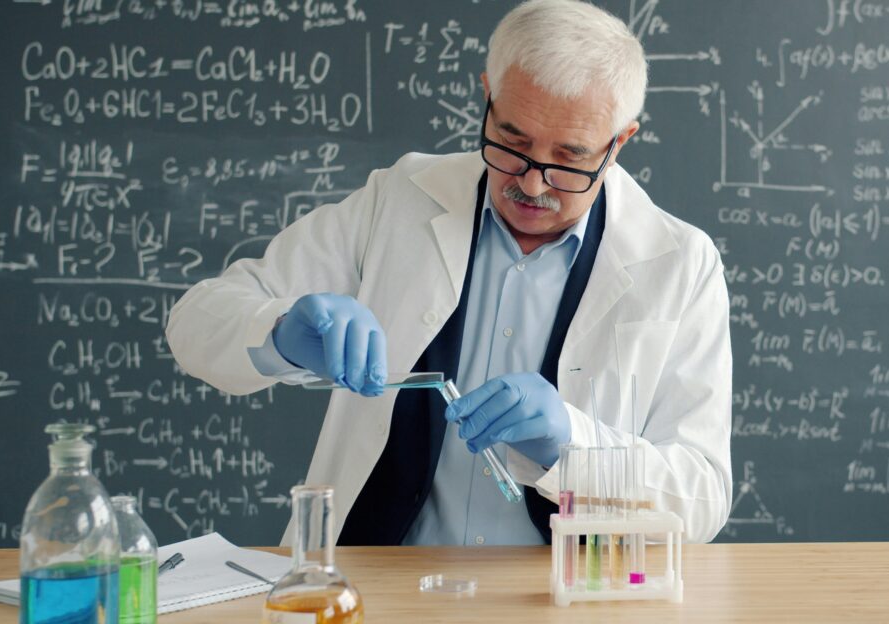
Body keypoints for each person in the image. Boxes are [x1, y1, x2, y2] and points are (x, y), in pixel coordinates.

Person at [166, 0, 732, 546]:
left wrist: (570, 444)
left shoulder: (679, 262)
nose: (532, 184)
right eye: (511, 142)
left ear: (618, 143)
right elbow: (195, 321)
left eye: (568, 159)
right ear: (487, 97)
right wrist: (280, 332)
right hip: (378, 587)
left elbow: (703, 495)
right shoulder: (399, 200)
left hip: (559, 598)